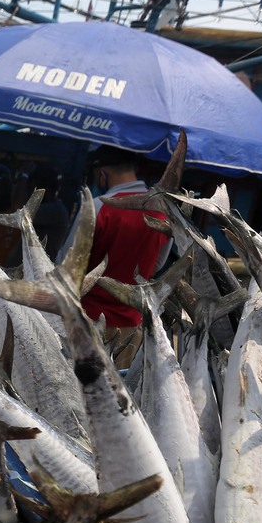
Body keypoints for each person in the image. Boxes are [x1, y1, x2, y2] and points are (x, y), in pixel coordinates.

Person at [79, 144, 169, 364]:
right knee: (124, 392)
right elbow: (158, 262)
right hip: (133, 323)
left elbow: (70, 263)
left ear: (102, 174)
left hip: (88, 321)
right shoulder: (161, 209)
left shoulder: (98, 206)